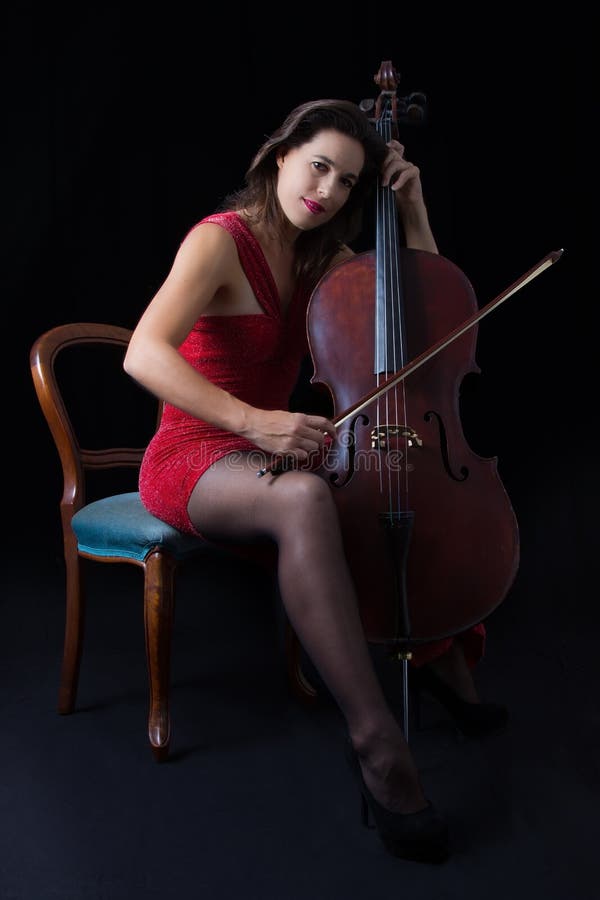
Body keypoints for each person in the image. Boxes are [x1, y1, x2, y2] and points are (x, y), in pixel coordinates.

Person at [124, 98, 506, 863]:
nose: (326, 190)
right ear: (279, 157)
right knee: (303, 496)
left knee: (385, 491)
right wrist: (255, 421)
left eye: (346, 182)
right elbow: (142, 354)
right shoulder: (218, 241)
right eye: (318, 166)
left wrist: (414, 209)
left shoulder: (326, 262)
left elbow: (439, 328)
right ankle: (378, 745)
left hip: (264, 455)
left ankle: (440, 662)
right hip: (193, 456)